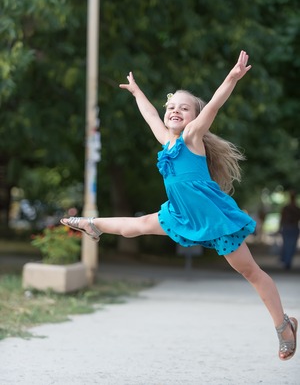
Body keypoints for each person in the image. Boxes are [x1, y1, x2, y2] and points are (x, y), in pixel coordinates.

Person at [61, 51, 297, 361]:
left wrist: (232, 78)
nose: (175, 111)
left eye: (183, 108)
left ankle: (284, 325)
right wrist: (137, 92)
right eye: (171, 107)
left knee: (251, 272)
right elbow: (149, 115)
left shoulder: (191, 137)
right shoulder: (166, 141)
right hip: (182, 214)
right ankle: (93, 224)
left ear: (193, 118)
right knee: (138, 227)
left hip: (213, 218)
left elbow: (213, 104)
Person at [279, 190, 300, 270]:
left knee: (287, 245)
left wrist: (279, 228)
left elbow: (281, 219)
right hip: (293, 228)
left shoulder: (286, 208)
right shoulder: (297, 209)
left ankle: (286, 261)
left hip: (288, 228)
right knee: (291, 246)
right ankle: (287, 261)